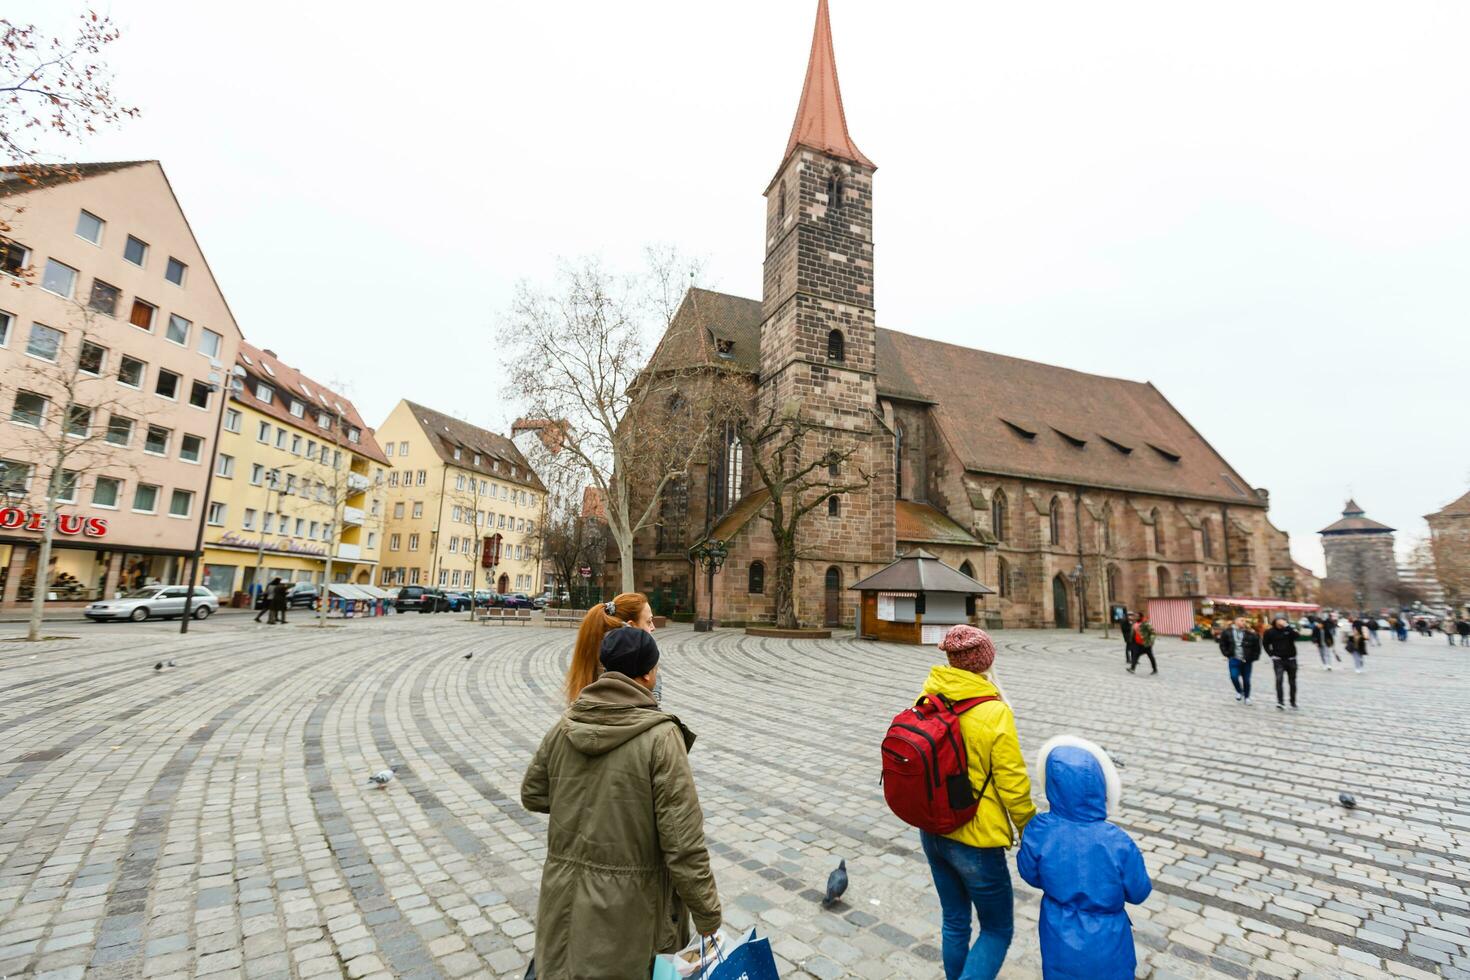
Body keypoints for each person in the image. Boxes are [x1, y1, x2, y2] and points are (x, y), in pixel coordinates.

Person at [522, 626, 721, 978]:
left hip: (564, 902)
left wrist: (587, 800)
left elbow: (534, 792)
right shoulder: (661, 737)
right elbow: (683, 843)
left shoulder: (566, 724)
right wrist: (708, 916)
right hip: (631, 916)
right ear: (647, 674)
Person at [919, 626, 1036, 980]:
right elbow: (1012, 783)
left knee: (955, 921)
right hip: (976, 839)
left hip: (933, 829)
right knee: (997, 930)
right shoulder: (994, 711)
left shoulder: (928, 695)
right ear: (985, 662)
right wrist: (1029, 828)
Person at [1018, 736, 1151, 980]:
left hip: (1057, 927)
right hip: (1108, 936)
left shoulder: (1040, 829)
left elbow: (1029, 873)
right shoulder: (1117, 841)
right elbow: (1139, 891)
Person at [564, 593, 654, 704]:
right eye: (649, 622)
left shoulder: (601, 657)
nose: (653, 627)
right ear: (631, 626)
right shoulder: (636, 668)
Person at [1217, 616, 1261, 705]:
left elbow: (1257, 645)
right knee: (1234, 676)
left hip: (1246, 660)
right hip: (1234, 658)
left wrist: (1254, 657)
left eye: (1245, 621)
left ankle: (1247, 697)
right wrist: (1227, 654)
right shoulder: (1227, 632)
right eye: (1242, 620)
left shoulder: (1249, 633)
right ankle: (1239, 691)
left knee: (1246, 680)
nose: (1244, 622)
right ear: (1235, 621)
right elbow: (1222, 643)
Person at [1262, 616, 1300, 710]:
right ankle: (1280, 701)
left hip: (1291, 659)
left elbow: (1297, 636)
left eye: (1283, 620)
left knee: (1292, 681)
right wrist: (1271, 655)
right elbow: (1265, 644)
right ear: (1275, 622)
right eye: (1279, 620)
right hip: (1278, 660)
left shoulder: (1289, 630)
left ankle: (1293, 701)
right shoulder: (1270, 632)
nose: (1281, 622)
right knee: (1279, 680)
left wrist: (1287, 626)